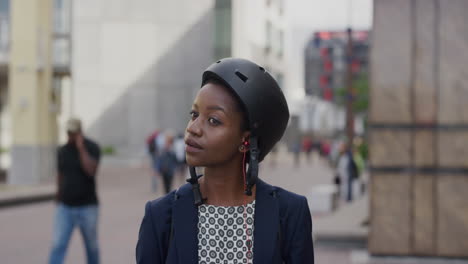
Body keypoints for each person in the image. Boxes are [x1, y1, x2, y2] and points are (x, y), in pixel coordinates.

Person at [136, 58, 314, 263]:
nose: (193, 128)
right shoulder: (160, 216)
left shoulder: (290, 213)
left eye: (213, 120)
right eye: (194, 114)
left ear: (246, 140)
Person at [49, 118, 101, 264]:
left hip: (88, 206)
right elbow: (60, 175)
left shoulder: (92, 147)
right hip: (65, 207)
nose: (70, 135)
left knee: (92, 246)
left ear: (80, 132)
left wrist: (81, 148)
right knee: (58, 244)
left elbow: (91, 171)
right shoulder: (62, 150)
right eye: (68, 132)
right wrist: (58, 197)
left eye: (73, 132)